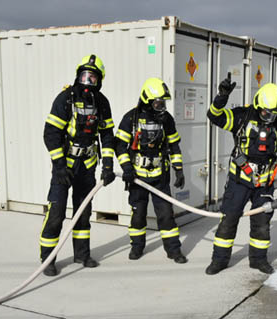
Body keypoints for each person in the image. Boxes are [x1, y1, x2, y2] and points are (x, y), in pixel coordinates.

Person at [205, 74, 277, 275]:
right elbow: (215, 117)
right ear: (258, 105)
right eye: (266, 113)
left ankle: (258, 260)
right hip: (240, 181)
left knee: (262, 224)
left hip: (264, 184)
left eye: (273, 114)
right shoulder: (242, 116)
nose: (269, 117)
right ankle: (219, 261)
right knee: (229, 220)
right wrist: (221, 97)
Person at [39, 54, 117, 277]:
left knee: (83, 212)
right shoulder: (65, 98)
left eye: (93, 77)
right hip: (65, 167)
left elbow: (107, 136)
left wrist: (108, 165)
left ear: (100, 80)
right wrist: (59, 165)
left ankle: (82, 254)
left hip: (88, 165)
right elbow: (51, 133)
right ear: (77, 76)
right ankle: (48, 259)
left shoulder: (102, 102)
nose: (88, 81)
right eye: (84, 76)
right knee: (57, 212)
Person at [113, 77, 187, 263]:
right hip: (137, 177)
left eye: (163, 103)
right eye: (158, 103)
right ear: (147, 101)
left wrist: (178, 169)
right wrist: (127, 168)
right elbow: (120, 146)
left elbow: (174, 146)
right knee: (138, 215)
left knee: (166, 216)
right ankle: (137, 248)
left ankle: (174, 251)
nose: (162, 107)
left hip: (160, 178)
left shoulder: (166, 119)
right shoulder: (131, 118)